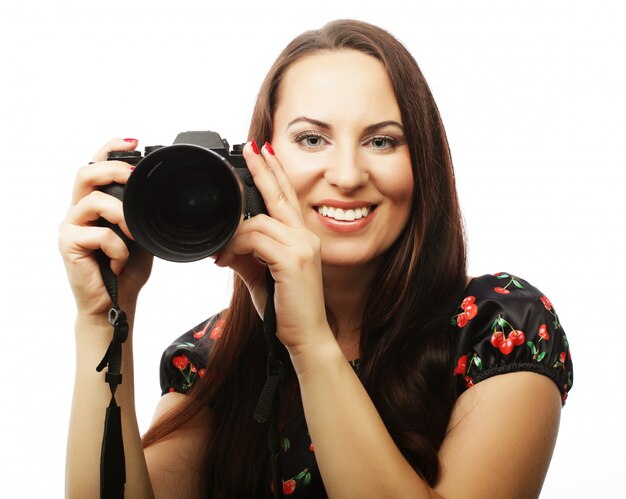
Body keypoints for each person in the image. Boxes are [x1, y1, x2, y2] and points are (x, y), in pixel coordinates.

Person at [59, 19, 573, 498]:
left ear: (424, 162)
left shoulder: (503, 326)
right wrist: (102, 321)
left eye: (381, 141)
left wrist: (308, 343)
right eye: (311, 138)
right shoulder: (212, 360)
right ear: (257, 162)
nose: (347, 175)